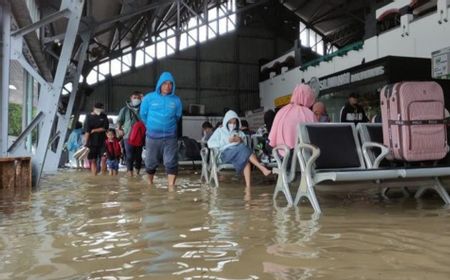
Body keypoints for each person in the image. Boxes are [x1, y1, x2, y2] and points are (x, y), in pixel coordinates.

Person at [207, 110, 271, 188]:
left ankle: (248, 187)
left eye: (234, 123)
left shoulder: (239, 132)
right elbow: (210, 143)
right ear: (226, 122)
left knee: (245, 159)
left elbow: (244, 146)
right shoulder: (220, 131)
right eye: (230, 122)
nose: (232, 124)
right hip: (225, 154)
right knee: (243, 150)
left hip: (238, 153)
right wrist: (227, 142)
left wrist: (240, 140)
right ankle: (261, 168)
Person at [140, 72, 182, 187]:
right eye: (165, 83)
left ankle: (171, 188)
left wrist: (169, 126)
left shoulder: (176, 100)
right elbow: (143, 115)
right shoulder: (149, 98)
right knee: (150, 162)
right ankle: (149, 184)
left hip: (170, 137)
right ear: (160, 84)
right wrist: (151, 126)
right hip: (152, 137)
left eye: (170, 84)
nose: (168, 86)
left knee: (171, 162)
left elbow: (177, 116)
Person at [269, 84, 317, 153]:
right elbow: (317, 141)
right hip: (306, 160)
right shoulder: (309, 114)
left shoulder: (281, 112)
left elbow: (271, 143)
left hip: (283, 159)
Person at [117, 91, 144, 177]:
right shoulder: (124, 109)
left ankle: (138, 172)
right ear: (131, 98)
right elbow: (119, 121)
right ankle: (130, 173)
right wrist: (119, 129)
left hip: (140, 136)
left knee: (139, 156)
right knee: (129, 155)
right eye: (134, 97)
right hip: (128, 136)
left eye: (138, 98)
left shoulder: (144, 109)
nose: (136, 99)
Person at [84, 102, 109, 175]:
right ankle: (94, 176)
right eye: (98, 108)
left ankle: (103, 176)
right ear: (94, 108)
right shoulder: (88, 116)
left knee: (104, 158)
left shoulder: (104, 116)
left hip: (103, 141)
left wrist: (94, 130)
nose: (100, 110)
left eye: (101, 109)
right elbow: (87, 131)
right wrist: (85, 143)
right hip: (92, 142)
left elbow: (105, 128)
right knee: (93, 160)